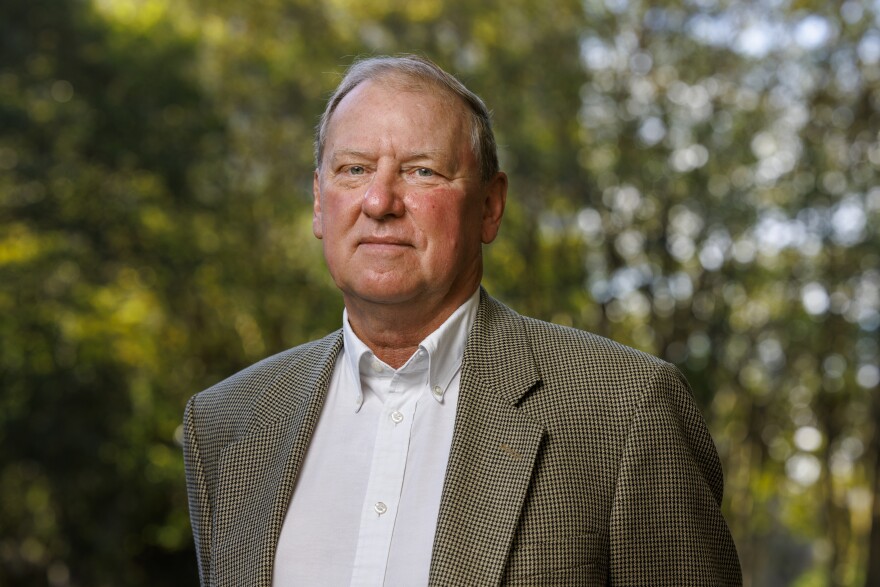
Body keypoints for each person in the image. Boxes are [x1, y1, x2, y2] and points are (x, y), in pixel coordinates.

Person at [183, 55, 742, 586]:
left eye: (421, 171)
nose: (379, 201)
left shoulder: (624, 409)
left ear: (490, 207)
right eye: (353, 169)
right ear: (317, 202)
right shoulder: (228, 424)